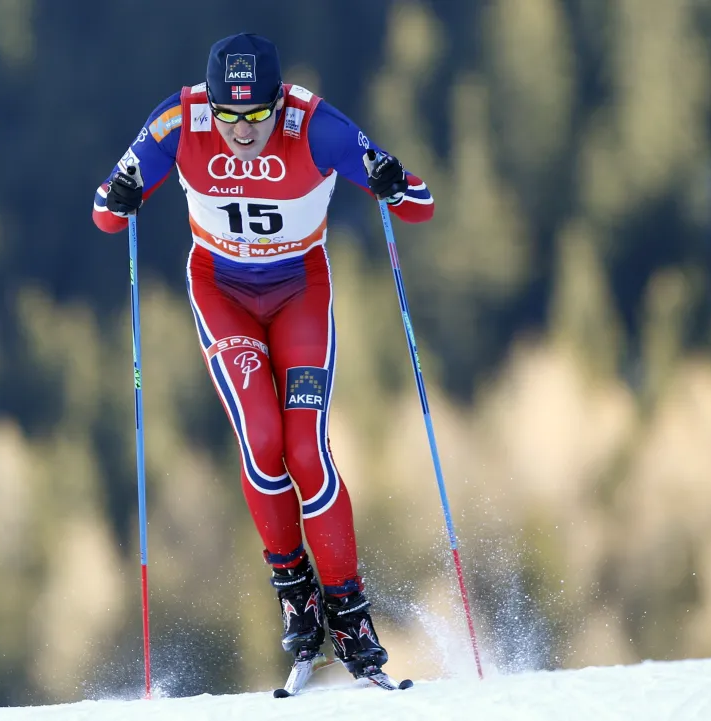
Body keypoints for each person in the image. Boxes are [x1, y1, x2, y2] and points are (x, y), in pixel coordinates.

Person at [91, 32, 434, 680]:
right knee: (262, 438)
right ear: (210, 105)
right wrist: (121, 195)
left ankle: (350, 614)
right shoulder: (178, 120)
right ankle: (297, 597)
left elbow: (419, 204)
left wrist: (391, 181)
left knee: (306, 448)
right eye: (229, 116)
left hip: (298, 292)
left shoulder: (315, 125)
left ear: (279, 103)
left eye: (256, 116)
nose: (242, 132)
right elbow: (105, 212)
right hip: (222, 294)